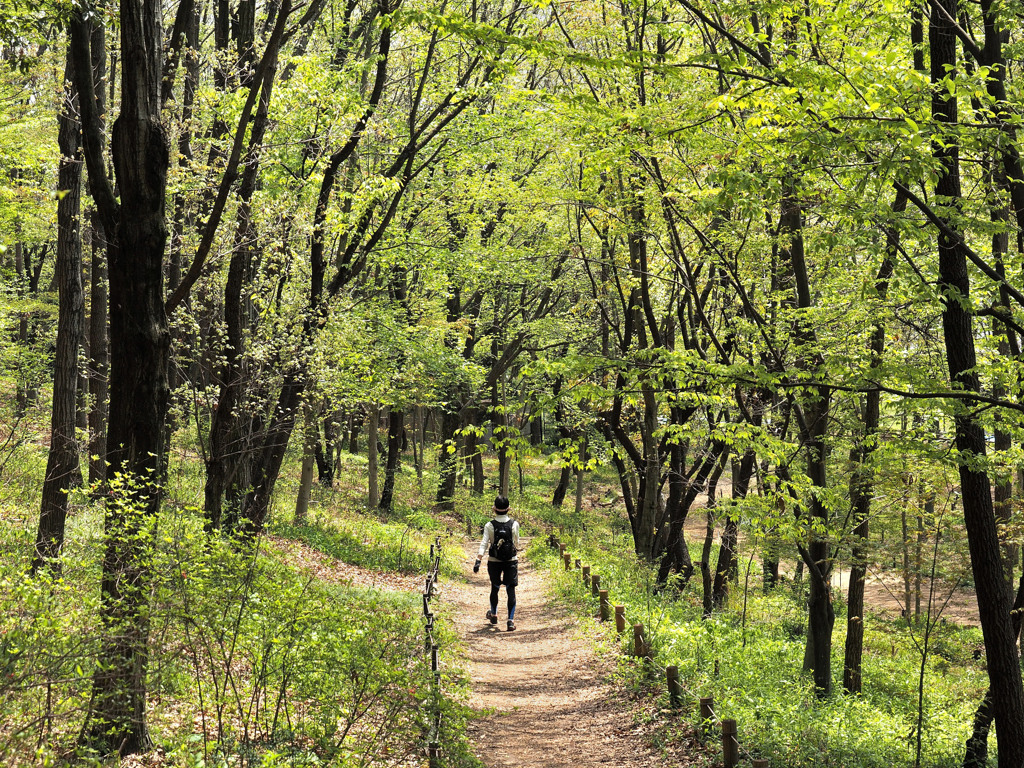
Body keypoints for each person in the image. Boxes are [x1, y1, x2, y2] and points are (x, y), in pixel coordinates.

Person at [473, 495, 520, 631]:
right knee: (510, 589)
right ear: (508, 509)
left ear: (494, 508)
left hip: (494, 561)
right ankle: (510, 621)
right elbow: (516, 543)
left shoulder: (489, 525)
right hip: (511, 560)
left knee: (495, 587)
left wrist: (478, 560)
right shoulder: (514, 524)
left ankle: (494, 614)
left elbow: (484, 543)